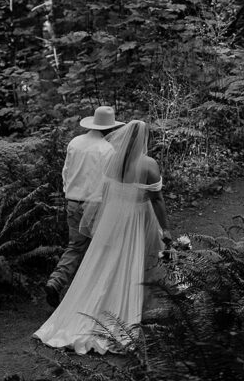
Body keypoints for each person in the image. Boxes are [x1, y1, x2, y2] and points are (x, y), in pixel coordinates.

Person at [34, 119, 173, 355]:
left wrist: (105, 223)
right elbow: (157, 200)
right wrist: (166, 229)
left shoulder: (112, 162)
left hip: (114, 216)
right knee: (135, 258)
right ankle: (129, 305)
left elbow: (106, 194)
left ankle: (93, 305)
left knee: (105, 262)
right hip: (138, 217)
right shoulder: (149, 164)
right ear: (143, 139)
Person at [44, 105, 125, 308]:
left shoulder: (75, 142)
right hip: (97, 205)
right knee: (101, 247)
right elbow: (110, 181)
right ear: (109, 128)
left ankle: (56, 280)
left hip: (73, 201)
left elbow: (66, 172)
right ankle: (95, 293)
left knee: (75, 246)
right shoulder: (107, 149)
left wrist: (69, 192)